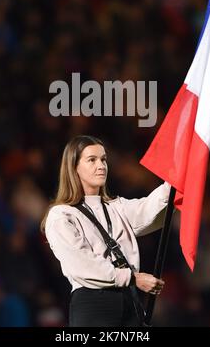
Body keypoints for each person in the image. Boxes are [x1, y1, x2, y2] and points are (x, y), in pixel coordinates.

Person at [41, 135, 171, 327]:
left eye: (103, 159)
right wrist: (133, 278)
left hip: (130, 302)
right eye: (92, 160)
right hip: (94, 305)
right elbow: (84, 265)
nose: (101, 165)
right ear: (73, 167)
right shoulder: (61, 215)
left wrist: (177, 182)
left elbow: (152, 209)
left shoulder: (116, 207)